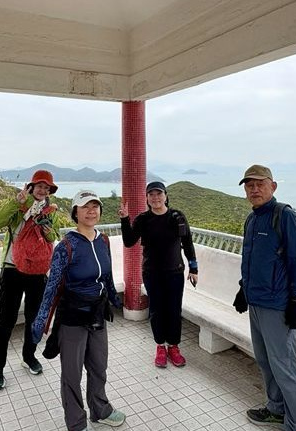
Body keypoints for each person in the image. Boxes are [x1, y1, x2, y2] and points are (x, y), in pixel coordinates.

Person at [32, 190, 126, 431]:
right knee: (72, 374)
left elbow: (107, 275)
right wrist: (41, 320)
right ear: (75, 212)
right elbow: (52, 287)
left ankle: (100, 410)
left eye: (95, 206)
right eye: (85, 207)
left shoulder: (104, 241)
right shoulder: (66, 246)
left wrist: (114, 298)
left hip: (97, 313)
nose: (91, 211)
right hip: (73, 316)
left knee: (99, 366)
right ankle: (76, 422)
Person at [233, 165, 296, 431]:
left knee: (285, 367)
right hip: (257, 302)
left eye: (260, 184)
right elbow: (252, 260)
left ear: (273, 186)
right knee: (266, 361)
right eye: (249, 185)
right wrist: (243, 289)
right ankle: (276, 410)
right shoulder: (252, 219)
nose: (254, 189)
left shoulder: (284, 216)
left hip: (279, 306)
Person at [0, 169, 61, 390]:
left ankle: (29, 357)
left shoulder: (50, 210)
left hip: (37, 271)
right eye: (39, 186)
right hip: (12, 268)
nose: (42, 190)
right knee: (6, 321)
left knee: (34, 318)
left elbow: (54, 236)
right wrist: (16, 202)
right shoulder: (19, 206)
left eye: (46, 188)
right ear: (31, 187)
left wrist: (48, 230)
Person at [118, 181, 198, 368]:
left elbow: (187, 243)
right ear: (147, 198)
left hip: (175, 273)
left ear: (166, 196)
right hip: (152, 273)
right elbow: (129, 242)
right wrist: (124, 219)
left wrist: (194, 268)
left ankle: (174, 347)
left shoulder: (177, 217)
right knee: (156, 310)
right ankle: (160, 346)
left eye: (159, 194)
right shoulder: (143, 219)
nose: (155, 198)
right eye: (151, 194)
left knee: (174, 310)